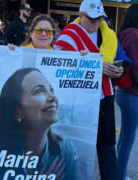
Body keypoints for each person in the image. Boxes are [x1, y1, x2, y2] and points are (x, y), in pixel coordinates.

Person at [54, 0, 131, 179]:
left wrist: (121, 69)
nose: (96, 22)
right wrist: (96, 66)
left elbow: (123, 59)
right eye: (91, 19)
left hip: (104, 101)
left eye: (99, 18)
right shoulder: (68, 36)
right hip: (77, 103)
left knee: (107, 151)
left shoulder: (109, 35)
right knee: (74, 150)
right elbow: (58, 65)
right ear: (81, 16)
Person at [0, 68, 79, 180]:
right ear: (18, 110)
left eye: (51, 90)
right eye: (38, 91)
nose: (52, 98)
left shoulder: (66, 150)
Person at [116, 4, 138, 180]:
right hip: (132, 93)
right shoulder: (134, 35)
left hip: (125, 91)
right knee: (127, 138)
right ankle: (120, 175)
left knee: (125, 137)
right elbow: (135, 67)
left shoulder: (126, 34)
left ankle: (118, 173)